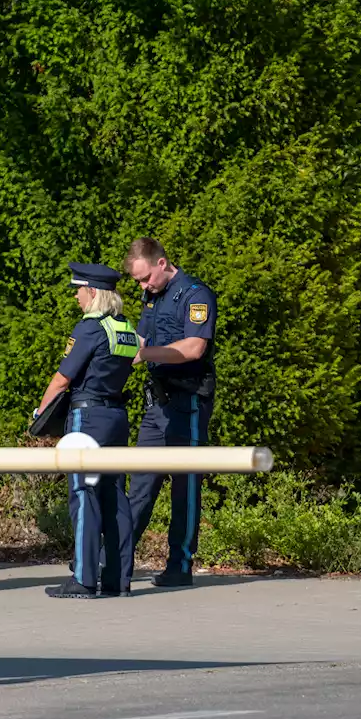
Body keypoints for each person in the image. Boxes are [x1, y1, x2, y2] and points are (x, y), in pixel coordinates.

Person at [34, 263, 138, 599]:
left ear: (92, 291)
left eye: (79, 290)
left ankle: (82, 579)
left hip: (87, 419)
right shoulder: (124, 327)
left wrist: (39, 413)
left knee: (84, 496)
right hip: (116, 419)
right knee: (114, 496)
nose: (77, 297)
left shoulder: (90, 328)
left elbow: (63, 378)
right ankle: (118, 581)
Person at [124, 237, 218, 588]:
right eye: (138, 281)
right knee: (141, 484)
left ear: (162, 263)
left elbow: (194, 348)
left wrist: (145, 356)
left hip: (189, 401)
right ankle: (118, 560)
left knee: (185, 486)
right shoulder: (153, 296)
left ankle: (180, 566)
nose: (143, 285)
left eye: (146, 277)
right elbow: (141, 340)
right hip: (158, 404)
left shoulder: (196, 294)